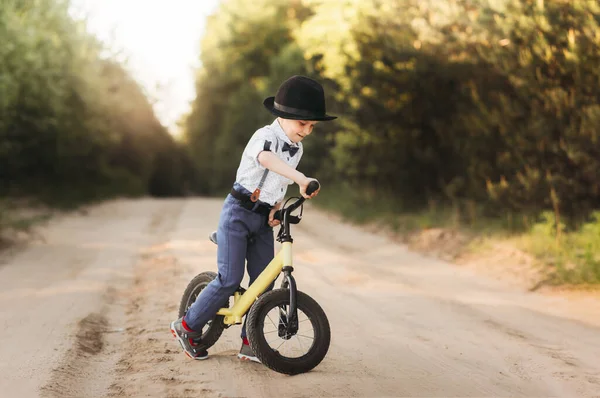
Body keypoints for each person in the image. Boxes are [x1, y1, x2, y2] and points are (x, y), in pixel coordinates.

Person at [170, 75, 337, 361]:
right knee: (229, 278)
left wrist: (277, 207)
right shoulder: (265, 137)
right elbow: (267, 161)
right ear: (283, 116)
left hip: (261, 219)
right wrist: (302, 178)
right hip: (237, 212)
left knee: (264, 280)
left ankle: (251, 341)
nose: (307, 131)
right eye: (302, 124)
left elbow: (278, 182)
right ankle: (187, 326)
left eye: (312, 126)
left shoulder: (298, 147)